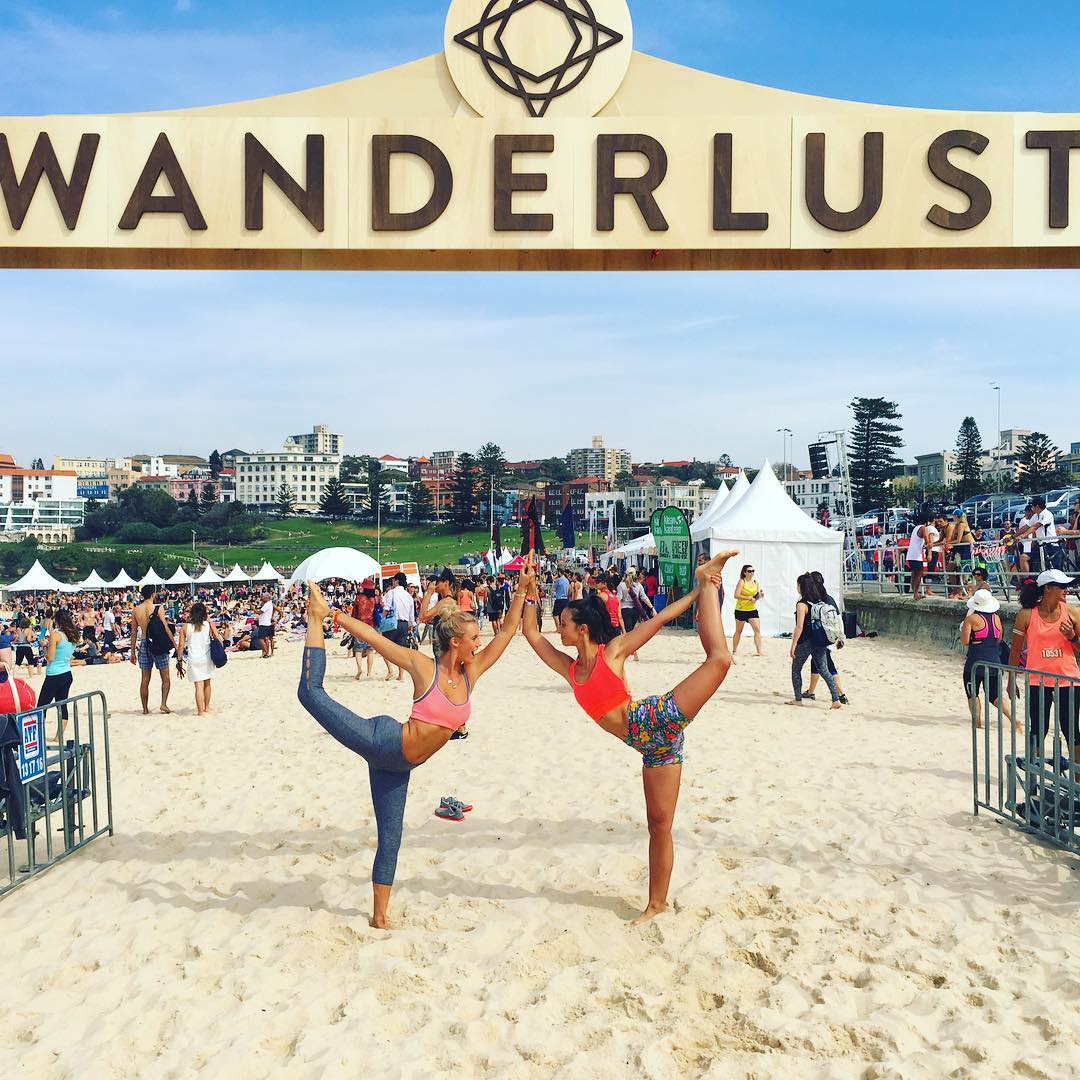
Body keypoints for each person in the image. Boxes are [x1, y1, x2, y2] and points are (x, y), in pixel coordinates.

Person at [296, 560, 533, 930]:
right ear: (456, 642)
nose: (480, 643)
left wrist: (522, 590)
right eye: (474, 639)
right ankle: (315, 617)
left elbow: (506, 634)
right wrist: (334, 616)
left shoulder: (470, 674)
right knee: (310, 693)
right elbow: (377, 640)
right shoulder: (425, 668)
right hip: (382, 742)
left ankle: (379, 917)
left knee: (391, 839)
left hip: (398, 767)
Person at [521, 550, 736, 926]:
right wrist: (527, 590)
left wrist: (697, 590)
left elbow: (660, 619)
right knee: (659, 826)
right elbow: (531, 634)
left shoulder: (614, 653)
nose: (559, 629)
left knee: (719, 661)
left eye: (565, 623)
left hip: (657, 717)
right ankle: (656, 904)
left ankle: (707, 581)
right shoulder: (570, 669)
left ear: (582, 629)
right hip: (652, 748)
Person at [1008, 570, 1080, 776]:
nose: (1067, 590)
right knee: (1039, 729)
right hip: (1037, 680)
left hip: (1068, 679)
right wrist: (1011, 679)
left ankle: (1077, 780)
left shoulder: (1072, 612)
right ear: (1047, 588)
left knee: (1071, 730)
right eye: (1062, 586)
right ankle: (1036, 775)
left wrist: (1073, 637)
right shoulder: (1026, 615)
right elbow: (1015, 650)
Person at [961, 589, 1016, 732]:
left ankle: (977, 723)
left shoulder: (971, 619)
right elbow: (998, 638)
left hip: (975, 662)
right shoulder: (996, 618)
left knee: (972, 693)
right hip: (994, 661)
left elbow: (964, 641)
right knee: (995, 695)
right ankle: (1013, 718)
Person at [789, 574, 842, 708]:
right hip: (820, 640)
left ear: (801, 587)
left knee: (796, 669)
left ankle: (798, 699)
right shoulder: (819, 601)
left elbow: (799, 626)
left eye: (798, 585)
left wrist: (793, 644)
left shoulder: (802, 604)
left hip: (805, 641)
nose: (797, 587)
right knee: (824, 670)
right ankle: (835, 700)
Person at [130, 584, 176, 715]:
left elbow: (133, 633)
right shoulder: (158, 607)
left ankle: (145, 708)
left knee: (145, 679)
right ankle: (163, 704)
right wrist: (174, 643)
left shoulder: (136, 610)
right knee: (165, 677)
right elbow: (166, 628)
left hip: (145, 642)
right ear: (153, 594)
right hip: (157, 642)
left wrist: (132, 652)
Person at [175, 602, 224, 716]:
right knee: (207, 684)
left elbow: (181, 646)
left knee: (198, 686)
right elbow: (219, 640)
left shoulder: (185, 627)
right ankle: (206, 707)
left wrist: (179, 660)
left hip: (194, 659)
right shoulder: (209, 625)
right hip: (207, 657)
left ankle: (200, 711)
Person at [39, 608, 80, 741]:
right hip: (66, 673)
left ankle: (39, 735)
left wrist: (44, 646)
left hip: (54, 674)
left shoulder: (56, 635)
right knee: (62, 705)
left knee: (41, 707)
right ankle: (59, 737)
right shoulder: (74, 636)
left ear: (57, 621)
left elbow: (50, 657)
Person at [906, 517, 942, 600]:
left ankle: (915, 592)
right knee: (919, 574)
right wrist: (929, 554)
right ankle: (916, 594)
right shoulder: (923, 528)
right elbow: (927, 542)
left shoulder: (916, 528)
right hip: (916, 555)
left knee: (914, 574)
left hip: (911, 554)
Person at [732, 564, 764, 657]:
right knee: (738, 631)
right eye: (749, 571)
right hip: (741, 610)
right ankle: (734, 650)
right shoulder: (742, 581)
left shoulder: (755, 582)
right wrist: (748, 598)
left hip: (752, 609)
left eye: (753, 571)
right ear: (744, 572)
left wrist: (760, 596)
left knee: (757, 630)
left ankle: (759, 651)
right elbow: (736, 595)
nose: (751, 573)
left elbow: (755, 596)